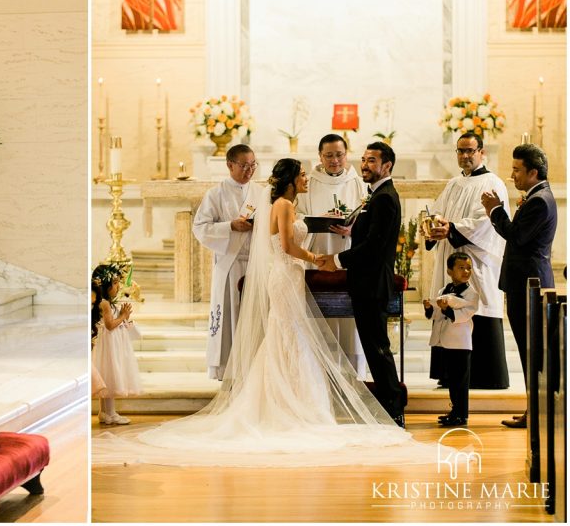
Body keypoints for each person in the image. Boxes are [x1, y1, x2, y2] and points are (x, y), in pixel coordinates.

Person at [93, 159, 428, 468]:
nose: (306, 178)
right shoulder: (282, 205)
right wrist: (315, 260)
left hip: (290, 275)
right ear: (290, 181)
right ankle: (286, 403)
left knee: (287, 334)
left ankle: (293, 401)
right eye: (301, 175)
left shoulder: (288, 204)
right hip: (285, 274)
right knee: (287, 332)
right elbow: (285, 246)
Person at [320, 142, 405, 427]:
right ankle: (388, 405)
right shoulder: (376, 195)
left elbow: (374, 247)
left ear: (387, 166)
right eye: (364, 160)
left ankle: (393, 408)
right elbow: (370, 234)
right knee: (374, 347)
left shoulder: (384, 197)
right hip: (366, 282)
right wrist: (352, 229)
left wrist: (338, 260)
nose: (365, 165)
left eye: (371, 161)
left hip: (373, 283)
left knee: (378, 348)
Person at [481, 143, 557, 429]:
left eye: (516, 170)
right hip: (525, 282)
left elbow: (516, 236)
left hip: (528, 284)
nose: (512, 175)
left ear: (532, 172)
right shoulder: (537, 196)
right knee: (530, 351)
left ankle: (536, 413)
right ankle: (533, 410)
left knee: (531, 351)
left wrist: (495, 210)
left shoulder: (539, 201)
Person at [425, 132, 509, 389]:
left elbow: (487, 223)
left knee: (477, 306)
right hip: (450, 257)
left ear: (482, 152)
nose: (464, 156)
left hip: (475, 261)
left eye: (470, 151)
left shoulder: (492, 183)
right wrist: (433, 226)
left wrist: (451, 228)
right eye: (460, 151)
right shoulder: (453, 183)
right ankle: (450, 374)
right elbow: (438, 211)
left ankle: (483, 376)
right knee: (449, 306)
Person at [296, 133, 367, 378]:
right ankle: (319, 371)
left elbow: (368, 217)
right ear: (320, 156)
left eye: (339, 155)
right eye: (329, 155)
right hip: (318, 253)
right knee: (320, 315)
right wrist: (317, 221)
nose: (335, 160)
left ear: (347, 155)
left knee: (351, 317)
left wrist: (353, 227)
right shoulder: (308, 183)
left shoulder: (358, 182)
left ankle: (352, 373)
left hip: (349, 253)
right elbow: (297, 216)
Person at [192, 144, 264, 379]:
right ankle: (228, 369)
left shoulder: (261, 193)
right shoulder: (216, 194)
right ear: (230, 165)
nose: (249, 170)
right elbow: (200, 227)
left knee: (252, 317)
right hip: (230, 264)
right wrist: (230, 226)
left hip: (255, 262)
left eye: (253, 165)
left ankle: (253, 367)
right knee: (230, 315)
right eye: (244, 165)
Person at [424, 253, 479, 427]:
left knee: (461, 382)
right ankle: (455, 411)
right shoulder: (444, 290)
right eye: (461, 267)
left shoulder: (472, 294)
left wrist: (447, 308)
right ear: (449, 270)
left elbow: (464, 315)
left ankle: (461, 415)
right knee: (452, 381)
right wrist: (429, 309)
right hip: (445, 341)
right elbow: (437, 314)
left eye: (468, 268)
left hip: (460, 343)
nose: (466, 271)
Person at [91, 263, 141, 426]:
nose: (118, 286)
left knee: (107, 375)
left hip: (110, 342)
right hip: (109, 343)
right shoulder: (104, 303)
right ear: (105, 284)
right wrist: (123, 316)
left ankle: (104, 412)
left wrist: (121, 315)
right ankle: (110, 413)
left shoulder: (106, 302)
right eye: (115, 283)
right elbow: (110, 325)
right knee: (110, 374)